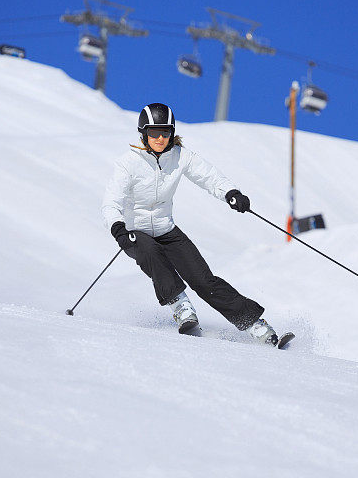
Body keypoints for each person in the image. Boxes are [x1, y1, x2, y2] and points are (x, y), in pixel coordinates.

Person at [101, 103, 279, 346]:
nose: (160, 138)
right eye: (154, 133)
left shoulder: (180, 156)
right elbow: (111, 201)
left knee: (204, 281)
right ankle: (180, 306)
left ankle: (256, 325)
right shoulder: (128, 162)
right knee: (150, 251)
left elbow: (208, 176)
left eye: (165, 132)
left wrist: (230, 193)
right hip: (135, 233)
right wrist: (119, 229)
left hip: (167, 230)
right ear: (143, 133)